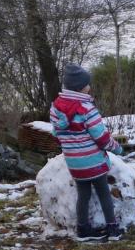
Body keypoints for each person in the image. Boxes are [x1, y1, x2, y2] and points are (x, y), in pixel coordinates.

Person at [50, 63, 125, 240]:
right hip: (93, 162)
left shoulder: (55, 108)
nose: (89, 87)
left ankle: (83, 229)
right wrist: (118, 148)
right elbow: (101, 138)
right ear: (80, 87)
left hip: (74, 163)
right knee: (103, 193)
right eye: (87, 84)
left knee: (83, 195)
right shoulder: (86, 109)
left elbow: (56, 133)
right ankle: (112, 228)